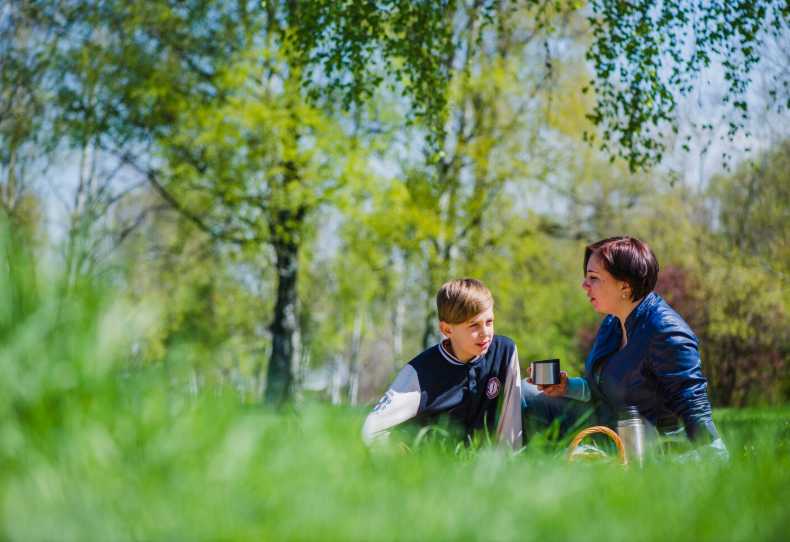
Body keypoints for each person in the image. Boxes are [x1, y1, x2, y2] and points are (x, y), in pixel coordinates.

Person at [522, 236, 727, 456]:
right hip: (607, 423)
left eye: (593, 277)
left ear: (624, 286)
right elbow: (609, 389)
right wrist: (567, 387)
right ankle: (501, 464)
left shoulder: (666, 331)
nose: (584, 285)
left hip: (643, 445)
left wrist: (716, 461)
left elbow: (693, 407)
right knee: (526, 390)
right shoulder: (613, 322)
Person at [361, 278, 523, 449]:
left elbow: (511, 428)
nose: (485, 333)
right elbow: (371, 430)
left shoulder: (504, 352)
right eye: (474, 325)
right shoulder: (420, 372)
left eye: (489, 322)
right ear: (447, 330)